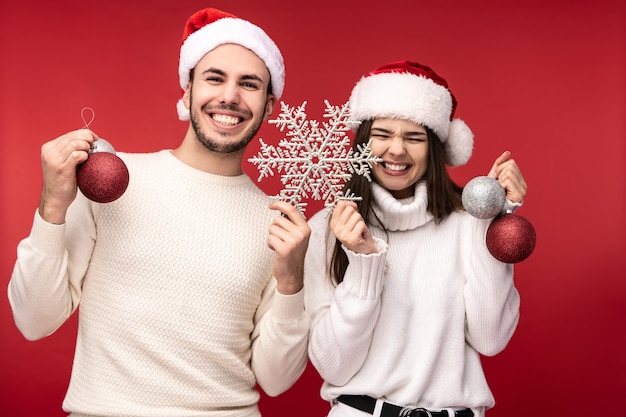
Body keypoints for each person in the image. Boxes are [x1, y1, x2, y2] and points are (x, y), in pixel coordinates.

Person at [8, 7, 311, 417]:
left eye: (249, 84)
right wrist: (52, 206)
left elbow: (276, 379)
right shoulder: (109, 184)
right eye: (214, 78)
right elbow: (33, 320)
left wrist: (292, 283)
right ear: (187, 90)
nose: (229, 96)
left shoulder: (280, 225)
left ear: (270, 105)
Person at [304, 60, 528, 417]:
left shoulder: (468, 223)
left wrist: (493, 225)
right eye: (382, 134)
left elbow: (491, 339)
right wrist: (363, 264)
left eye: (414, 137)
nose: (396, 150)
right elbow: (334, 366)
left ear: (436, 148)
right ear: (362, 139)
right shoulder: (326, 229)